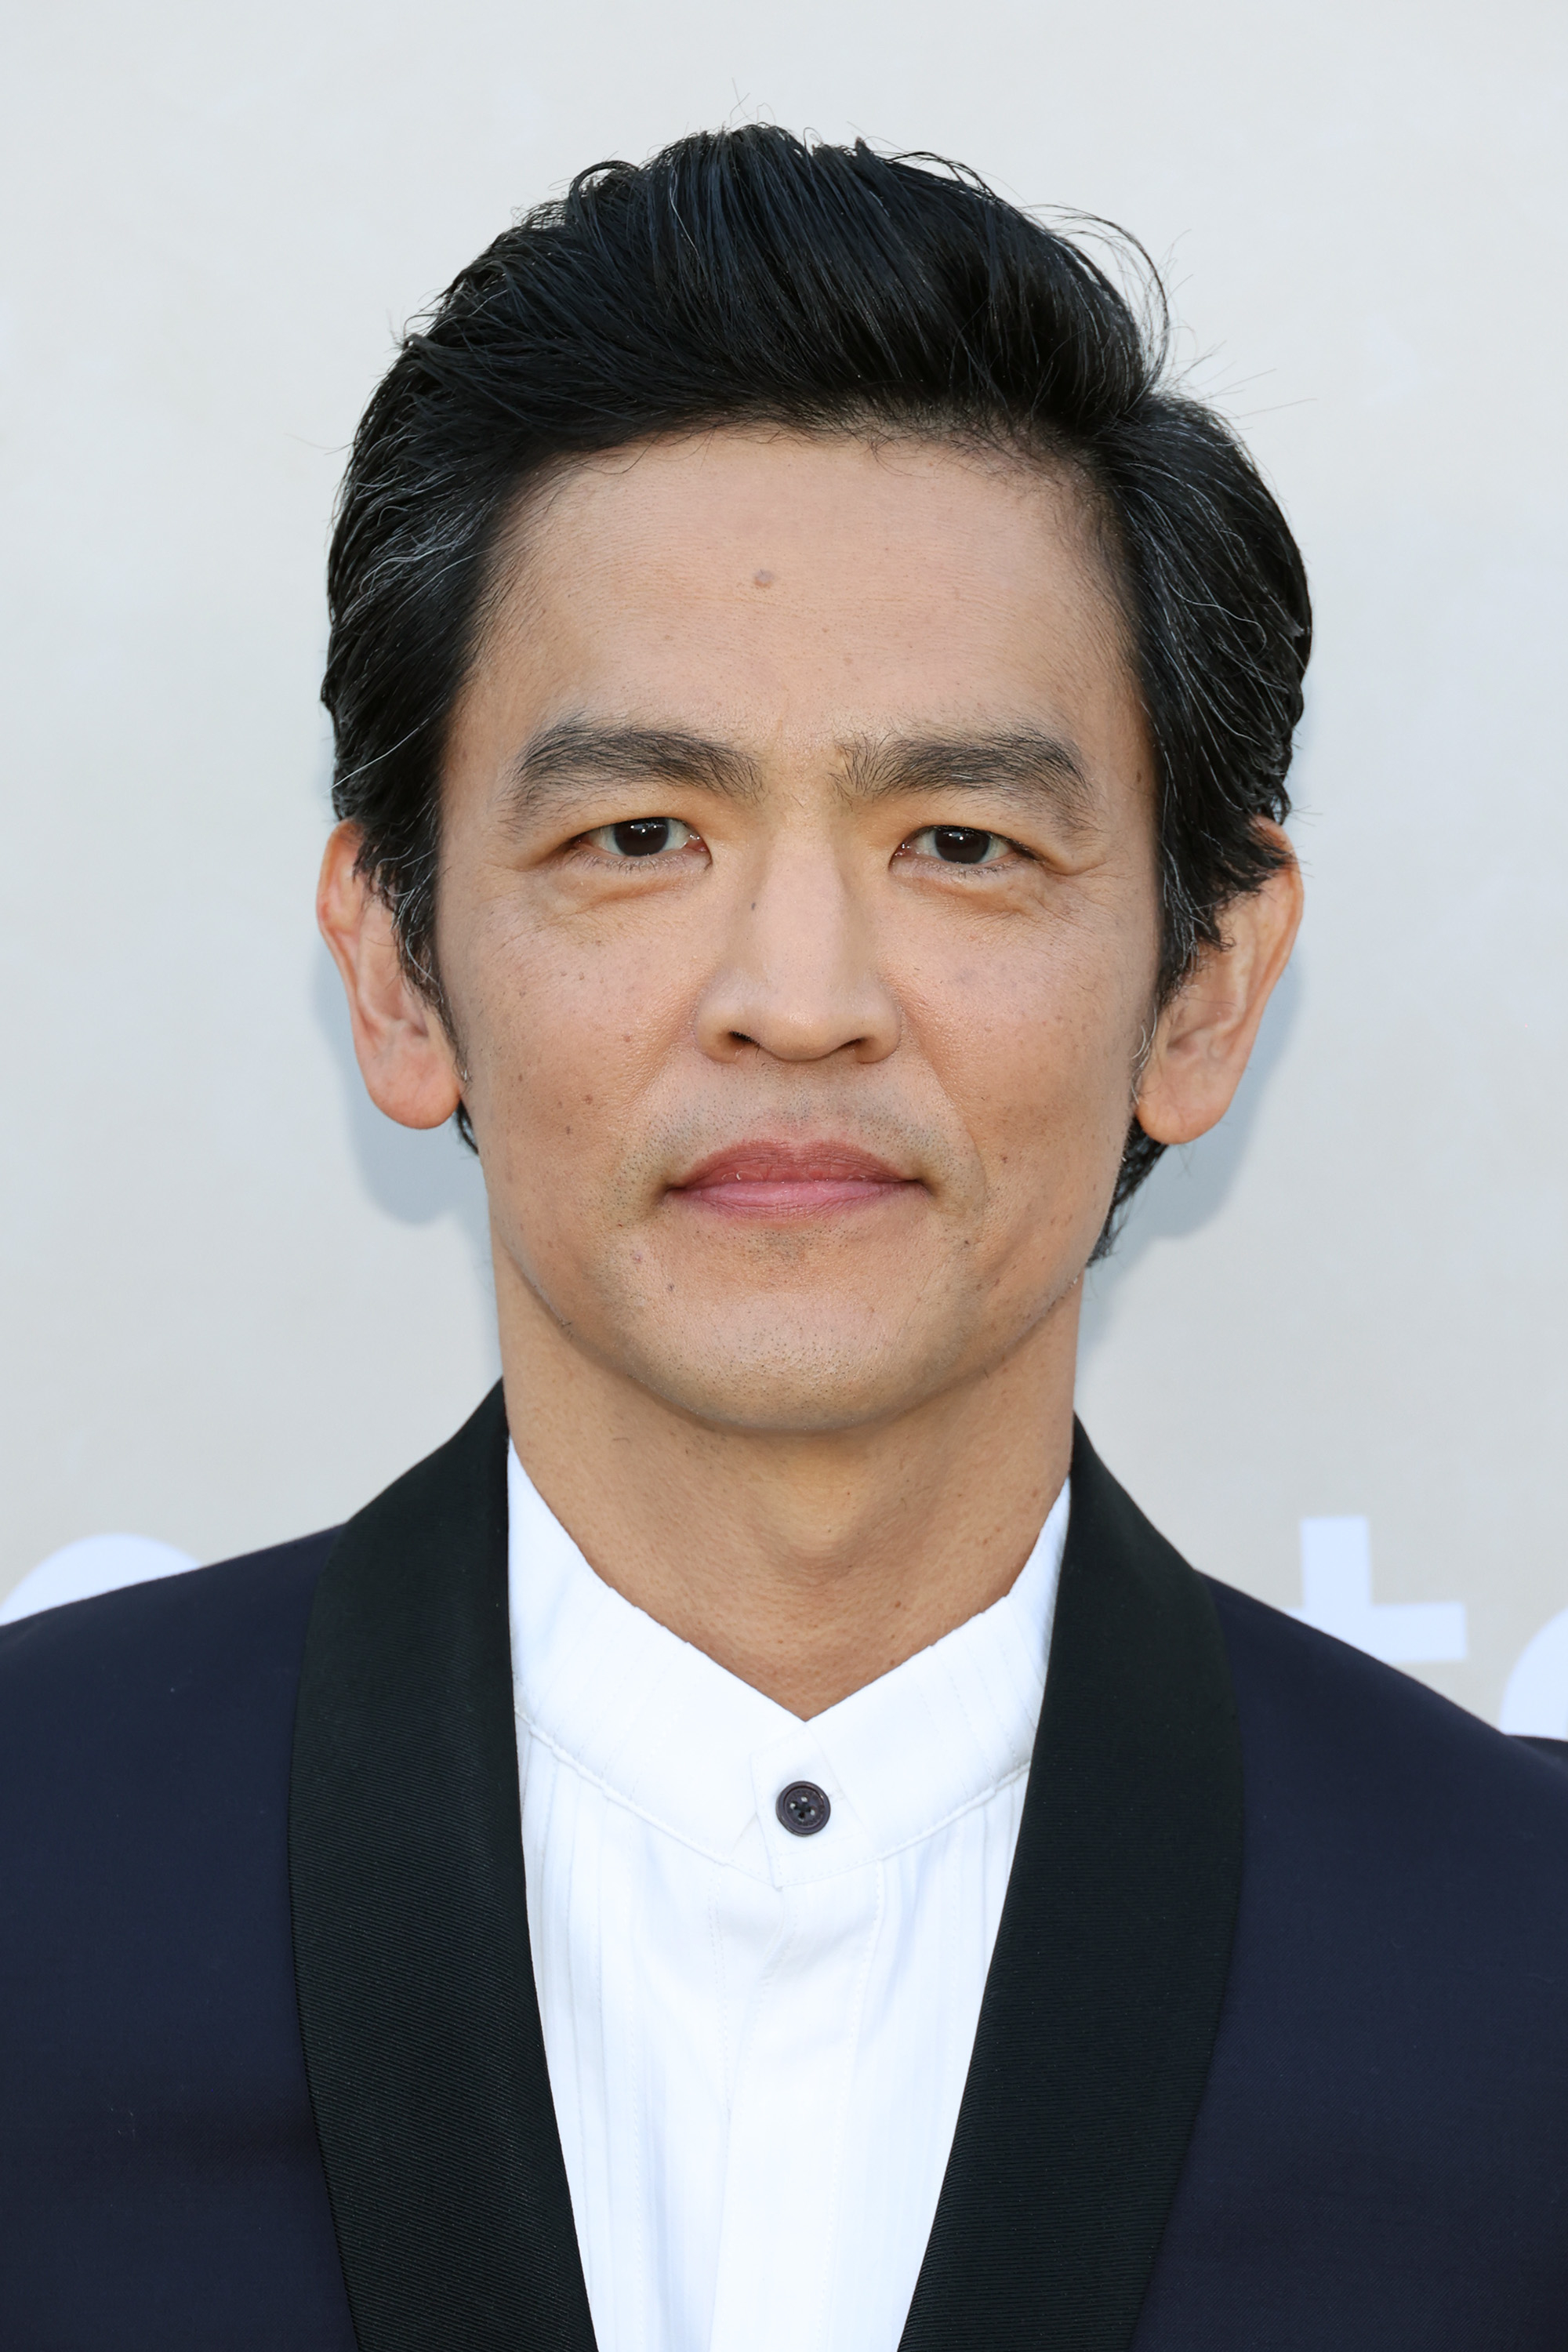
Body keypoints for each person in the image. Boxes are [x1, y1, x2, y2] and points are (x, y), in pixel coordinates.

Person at [2, 126, 1566, 2352]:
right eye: (642, 833)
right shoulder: (31, 1897)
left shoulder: (1522, 1980)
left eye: (962, 841)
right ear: (397, 969)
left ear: (1203, 987)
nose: (801, 990)